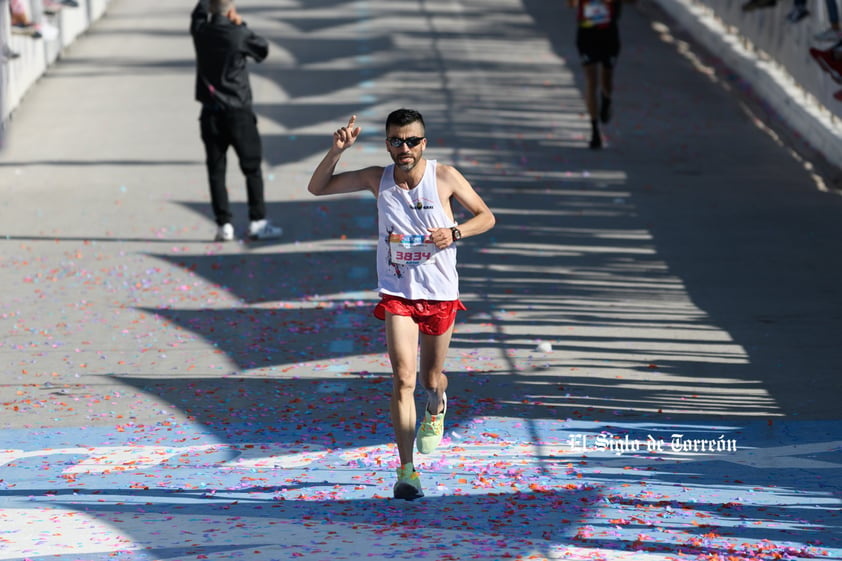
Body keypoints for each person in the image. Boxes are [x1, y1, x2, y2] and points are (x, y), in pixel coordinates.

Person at [307, 109, 495, 500]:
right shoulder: (378, 178)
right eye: (396, 141)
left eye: (411, 141)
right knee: (403, 378)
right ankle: (407, 471)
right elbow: (318, 187)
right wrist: (336, 150)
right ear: (388, 143)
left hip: (440, 293)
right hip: (398, 293)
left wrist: (455, 231)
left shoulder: (444, 177)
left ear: (423, 143)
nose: (404, 149)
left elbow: (486, 217)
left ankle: (438, 402)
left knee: (429, 379)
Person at [190, 0, 283, 242]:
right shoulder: (238, 33)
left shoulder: (200, 31)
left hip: (210, 113)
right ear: (231, 11)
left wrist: (208, 6)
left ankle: (224, 225)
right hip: (239, 113)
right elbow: (262, 50)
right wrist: (241, 24)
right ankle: (257, 221)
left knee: (216, 169)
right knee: (251, 168)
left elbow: (198, 14)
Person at [569, 0, 630, 149]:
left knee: (607, 79)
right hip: (587, 34)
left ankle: (606, 99)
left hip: (609, 34)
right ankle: (594, 130)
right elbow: (571, 4)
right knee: (591, 81)